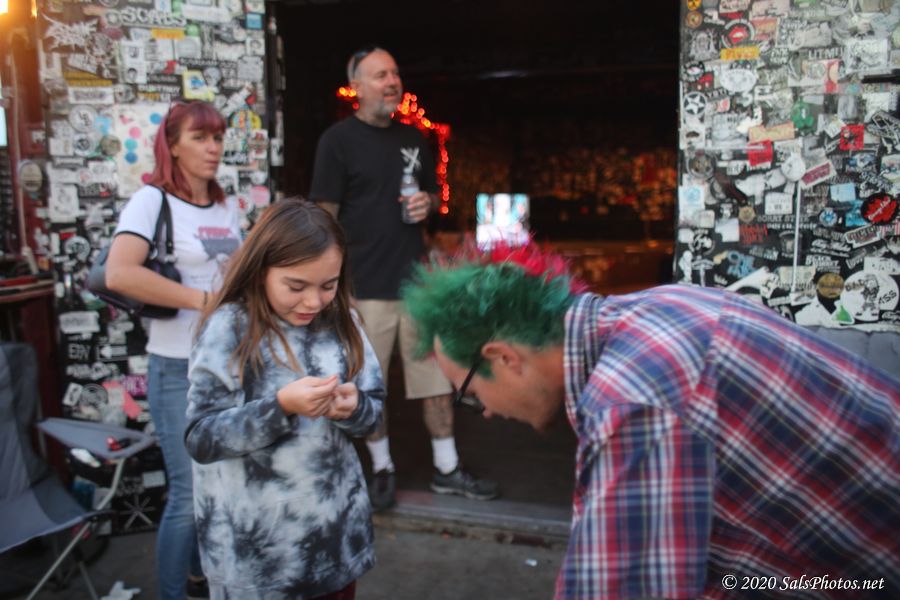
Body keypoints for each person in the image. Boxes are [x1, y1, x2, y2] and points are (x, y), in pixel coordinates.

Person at [401, 243, 900, 599]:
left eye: (470, 395)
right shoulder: (660, 305)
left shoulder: (632, 400)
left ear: (504, 357)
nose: (487, 413)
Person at [310, 45, 498, 511]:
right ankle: (381, 468)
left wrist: (427, 204)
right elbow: (323, 216)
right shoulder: (336, 141)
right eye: (380, 75)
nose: (392, 81)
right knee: (370, 386)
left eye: (395, 73)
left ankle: (447, 469)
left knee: (435, 382)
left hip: (417, 286)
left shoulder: (415, 138)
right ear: (357, 86)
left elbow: (432, 196)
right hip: (364, 289)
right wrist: (331, 285)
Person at [184, 199, 384, 599]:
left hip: (335, 543)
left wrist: (355, 408)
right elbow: (201, 439)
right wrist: (280, 408)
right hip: (258, 557)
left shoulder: (345, 322)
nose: (313, 302)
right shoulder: (229, 327)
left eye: (328, 285)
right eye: (296, 286)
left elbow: (374, 414)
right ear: (261, 270)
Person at [106, 100, 242, 600]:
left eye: (218, 137)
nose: (213, 148)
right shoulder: (151, 201)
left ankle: (198, 578)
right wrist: (202, 301)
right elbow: (120, 273)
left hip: (227, 365)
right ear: (173, 146)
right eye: (200, 137)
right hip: (177, 367)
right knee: (187, 495)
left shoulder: (227, 206)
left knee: (219, 487)